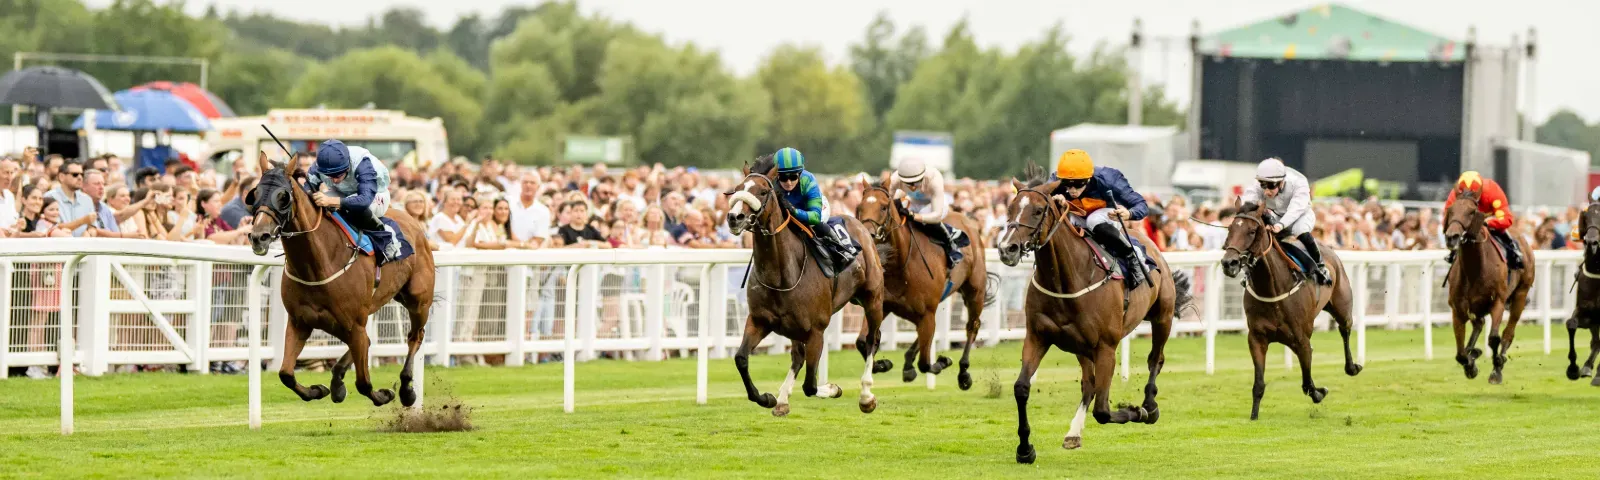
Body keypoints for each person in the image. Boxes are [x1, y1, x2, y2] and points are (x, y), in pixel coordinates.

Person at [1048, 149, 1151, 287]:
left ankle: (1131, 255)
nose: (1072, 190)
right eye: (1067, 184)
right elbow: (1039, 200)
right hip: (1077, 216)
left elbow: (1141, 205)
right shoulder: (1056, 179)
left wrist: (1129, 213)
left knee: (1093, 220)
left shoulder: (1109, 179)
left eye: (1078, 184)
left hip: (1106, 218)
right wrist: (1053, 200)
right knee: (1061, 219)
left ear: (1089, 178)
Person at [1240, 157, 1333, 285]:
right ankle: (1249, 272)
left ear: (1281, 182)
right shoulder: (1259, 182)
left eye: (1271, 186)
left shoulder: (1298, 182)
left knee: (1300, 230)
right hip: (1276, 215)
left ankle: (1320, 266)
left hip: (1301, 215)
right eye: (1263, 185)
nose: (1266, 191)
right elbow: (1248, 201)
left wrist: (1280, 225)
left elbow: (1295, 209)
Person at [306, 139, 400, 260]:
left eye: (338, 175)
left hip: (375, 194)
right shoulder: (319, 166)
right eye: (329, 176)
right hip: (344, 192)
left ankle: (385, 237)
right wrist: (312, 195)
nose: (334, 180)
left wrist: (331, 201)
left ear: (347, 167)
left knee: (353, 208)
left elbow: (364, 200)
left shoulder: (363, 164)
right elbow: (307, 189)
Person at [771, 147, 854, 274]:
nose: (788, 182)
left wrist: (794, 211)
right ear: (776, 176)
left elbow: (815, 216)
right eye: (783, 177)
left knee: (815, 224)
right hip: (788, 210)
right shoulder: (771, 182)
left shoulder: (808, 179)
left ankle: (841, 250)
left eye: (793, 177)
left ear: (800, 174)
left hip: (814, 209)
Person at [887, 157, 963, 266]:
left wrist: (913, 216)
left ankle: (951, 244)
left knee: (923, 214)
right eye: (908, 183)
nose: (913, 187)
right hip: (913, 201)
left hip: (935, 204)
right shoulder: (894, 179)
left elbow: (936, 215)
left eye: (916, 182)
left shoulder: (934, 179)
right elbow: (886, 201)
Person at [1444, 171, 1523, 270]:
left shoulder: (1492, 190)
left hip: (1490, 220)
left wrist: (1487, 222)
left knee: (1502, 232)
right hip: (1467, 223)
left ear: (1479, 191)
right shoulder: (1455, 193)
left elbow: (1507, 219)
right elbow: (1447, 217)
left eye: (1472, 196)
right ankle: (1452, 254)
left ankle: (1514, 252)